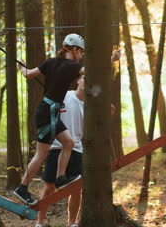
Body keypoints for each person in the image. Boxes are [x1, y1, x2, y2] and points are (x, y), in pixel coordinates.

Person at [14, 33, 87, 206]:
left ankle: (60, 178)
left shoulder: (50, 62)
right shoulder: (73, 66)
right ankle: (22, 188)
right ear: (75, 49)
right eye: (81, 52)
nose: (82, 56)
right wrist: (111, 59)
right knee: (41, 154)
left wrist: (21, 65)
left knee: (68, 142)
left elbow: (28, 74)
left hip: (48, 111)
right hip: (48, 112)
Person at [36, 75, 117, 227]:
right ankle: (39, 222)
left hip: (77, 149)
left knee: (76, 188)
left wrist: (108, 113)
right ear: (79, 81)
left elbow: (101, 123)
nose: (87, 82)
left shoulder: (92, 105)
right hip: (56, 146)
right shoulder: (65, 95)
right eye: (85, 78)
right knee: (49, 187)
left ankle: (71, 223)